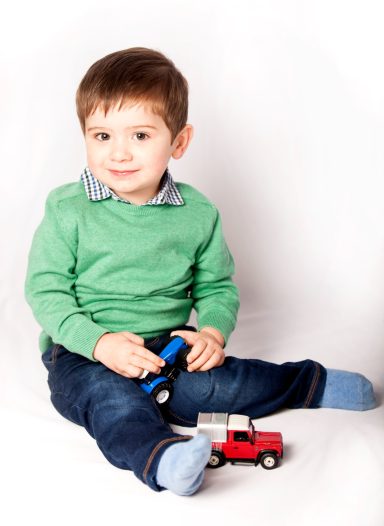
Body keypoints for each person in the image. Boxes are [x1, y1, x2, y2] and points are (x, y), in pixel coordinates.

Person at [24, 47, 376, 496]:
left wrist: (211, 332)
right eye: (102, 136)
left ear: (179, 141)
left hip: (166, 348)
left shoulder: (197, 212)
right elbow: (46, 291)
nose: (119, 153)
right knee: (113, 402)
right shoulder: (67, 208)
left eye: (141, 136)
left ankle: (309, 382)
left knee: (222, 387)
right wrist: (98, 343)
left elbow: (215, 287)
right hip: (83, 352)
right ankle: (165, 459)